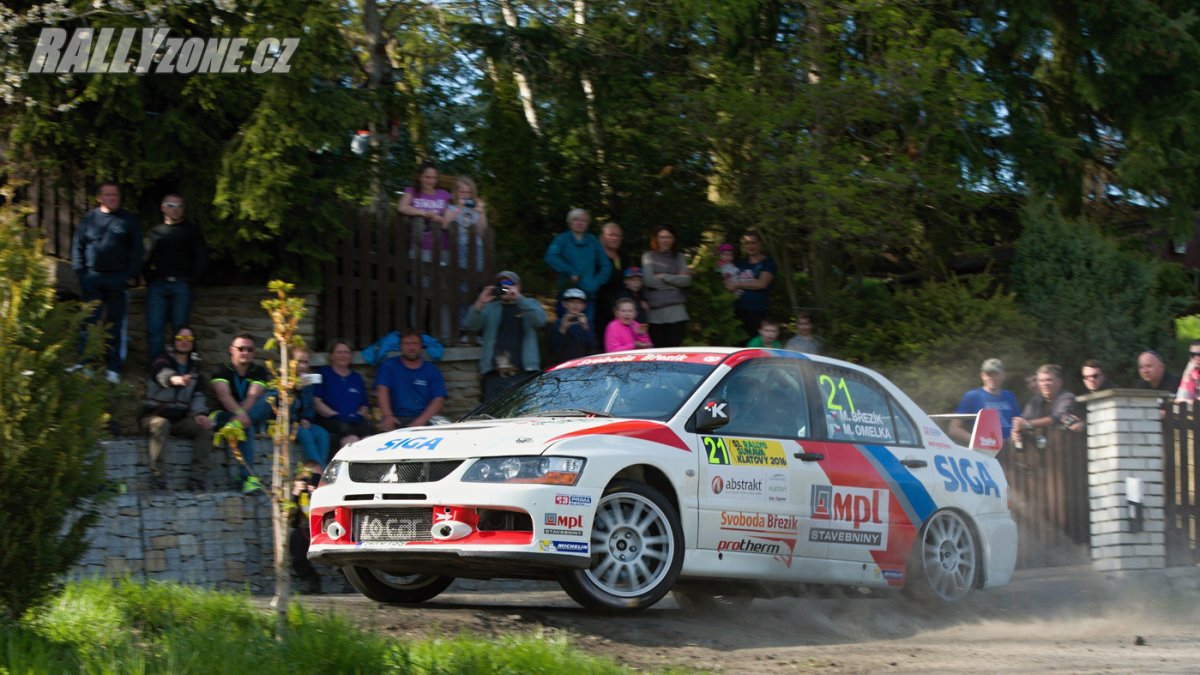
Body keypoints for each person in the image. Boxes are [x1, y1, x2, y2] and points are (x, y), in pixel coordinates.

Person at [71, 181, 143, 383]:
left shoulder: (128, 220)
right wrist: (80, 273)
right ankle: (87, 363)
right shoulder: (89, 218)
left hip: (117, 279)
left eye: (115, 195)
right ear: (99, 197)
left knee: (116, 324)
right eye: (108, 195)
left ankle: (113, 368)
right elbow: (78, 247)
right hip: (91, 278)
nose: (112, 198)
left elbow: (137, 251)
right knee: (89, 321)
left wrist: (129, 275)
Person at [140, 326, 214, 490]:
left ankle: (196, 479)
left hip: (180, 420)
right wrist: (176, 380)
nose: (184, 342)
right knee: (161, 424)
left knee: (205, 429)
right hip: (153, 416)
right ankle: (158, 478)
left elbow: (198, 396)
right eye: (180, 339)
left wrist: (200, 414)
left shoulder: (195, 370)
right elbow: (162, 375)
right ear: (174, 341)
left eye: (189, 339)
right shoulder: (161, 360)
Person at [142, 193, 207, 362]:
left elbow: (200, 258)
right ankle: (156, 368)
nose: (175, 209)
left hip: (182, 285)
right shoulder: (155, 232)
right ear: (163, 208)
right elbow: (144, 258)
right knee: (155, 329)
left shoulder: (191, 231)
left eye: (179, 206)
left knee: (181, 329)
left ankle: (182, 368)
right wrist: (151, 280)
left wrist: (191, 281)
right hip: (158, 285)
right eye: (171, 205)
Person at [465, 270, 548, 402]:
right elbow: (470, 325)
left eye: (509, 283)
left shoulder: (529, 304)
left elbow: (540, 321)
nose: (505, 287)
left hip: (523, 375)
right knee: (493, 419)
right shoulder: (490, 307)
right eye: (501, 284)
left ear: (518, 286)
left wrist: (519, 298)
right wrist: (480, 302)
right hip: (494, 376)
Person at [210, 332, 274, 493]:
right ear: (232, 349)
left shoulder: (258, 371)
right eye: (241, 348)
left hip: (244, 417)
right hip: (222, 416)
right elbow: (223, 396)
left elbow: (254, 395)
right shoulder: (221, 369)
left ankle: (246, 479)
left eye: (250, 349)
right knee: (247, 427)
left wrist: (241, 418)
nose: (245, 352)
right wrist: (241, 414)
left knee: (272, 395)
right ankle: (247, 478)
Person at [442, 176, 489, 345]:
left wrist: (481, 211)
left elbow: (482, 231)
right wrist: (458, 209)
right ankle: (462, 329)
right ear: (455, 193)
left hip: (477, 251)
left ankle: (474, 330)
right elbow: (445, 225)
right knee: (461, 290)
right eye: (462, 192)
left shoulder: (476, 209)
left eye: (468, 192)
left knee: (475, 290)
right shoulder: (451, 207)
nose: (465, 195)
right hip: (459, 251)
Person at [544, 208, 611, 324]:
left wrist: (595, 282)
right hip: (567, 291)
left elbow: (606, 265)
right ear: (569, 222)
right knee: (565, 327)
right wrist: (570, 271)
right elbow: (550, 257)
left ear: (587, 224)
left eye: (583, 220)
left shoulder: (593, 241)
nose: (579, 223)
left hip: (588, 294)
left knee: (585, 328)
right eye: (576, 220)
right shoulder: (562, 239)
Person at [375, 329, 448, 430]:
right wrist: (388, 416)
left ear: (421, 346)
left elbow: (438, 399)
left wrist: (420, 422)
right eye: (407, 344)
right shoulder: (388, 366)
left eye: (414, 343)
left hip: (424, 418)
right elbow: (382, 391)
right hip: (396, 418)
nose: (411, 347)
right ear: (400, 346)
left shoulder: (431, 370)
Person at [313, 339, 376, 450]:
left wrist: (358, 415)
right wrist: (335, 414)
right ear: (331, 356)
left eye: (346, 352)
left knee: (369, 432)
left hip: (354, 419)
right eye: (339, 352)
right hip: (330, 419)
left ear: (351, 356)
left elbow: (364, 405)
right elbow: (317, 402)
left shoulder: (356, 378)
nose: (343, 355)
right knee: (350, 435)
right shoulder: (322, 373)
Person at [948, 358, 1021, 445]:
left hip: (1008, 450)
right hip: (982, 452)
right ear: (982, 375)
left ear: (1003, 375)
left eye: (996, 374)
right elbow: (953, 429)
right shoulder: (972, 396)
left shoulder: (1009, 396)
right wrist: (978, 441)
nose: (992, 378)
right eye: (989, 374)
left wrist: (1016, 433)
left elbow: (1018, 422)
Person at [641, 225, 692, 348]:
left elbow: (686, 281)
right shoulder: (648, 256)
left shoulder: (679, 257)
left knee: (674, 351)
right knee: (658, 352)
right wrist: (675, 283)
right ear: (656, 239)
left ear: (674, 239)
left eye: (669, 237)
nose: (665, 240)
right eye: (662, 237)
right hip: (655, 314)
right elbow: (649, 281)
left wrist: (663, 276)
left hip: (677, 312)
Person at [1011, 364, 1084, 447]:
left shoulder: (1067, 397)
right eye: (1041, 381)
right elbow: (1023, 420)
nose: (1045, 384)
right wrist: (1016, 431)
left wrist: (1027, 424)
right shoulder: (1034, 401)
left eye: (1049, 380)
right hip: (1040, 454)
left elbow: (1057, 417)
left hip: (1066, 450)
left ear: (1060, 382)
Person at [726, 230, 776, 341]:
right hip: (737, 309)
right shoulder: (740, 263)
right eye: (747, 243)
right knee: (738, 344)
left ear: (760, 244)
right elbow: (729, 280)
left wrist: (737, 284)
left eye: (753, 242)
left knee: (754, 344)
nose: (750, 246)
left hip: (756, 311)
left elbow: (761, 284)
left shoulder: (767, 262)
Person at [397, 160, 452, 263]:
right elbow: (402, 207)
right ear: (419, 177)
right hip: (419, 247)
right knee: (420, 279)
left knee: (442, 278)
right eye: (427, 177)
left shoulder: (444, 194)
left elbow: (453, 218)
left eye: (434, 178)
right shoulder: (412, 191)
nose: (431, 181)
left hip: (443, 248)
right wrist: (425, 213)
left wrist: (440, 219)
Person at [291, 347, 332, 467]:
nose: (302, 366)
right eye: (299, 361)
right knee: (305, 434)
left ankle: (321, 469)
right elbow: (280, 408)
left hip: (302, 422)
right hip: (286, 424)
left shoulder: (307, 382)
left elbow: (309, 407)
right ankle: (319, 471)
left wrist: (307, 419)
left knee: (322, 434)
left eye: (306, 362)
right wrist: (294, 389)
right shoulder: (281, 380)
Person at [288, 460, 323, 594]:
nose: (311, 481)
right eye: (307, 478)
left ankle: (354, 582)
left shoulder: (326, 489)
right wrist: (295, 495)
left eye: (315, 477)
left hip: (325, 529)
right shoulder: (301, 494)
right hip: (306, 531)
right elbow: (292, 521)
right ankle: (310, 580)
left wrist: (318, 493)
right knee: (295, 539)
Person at [594, 222, 626, 339]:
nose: (615, 238)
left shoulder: (622, 257)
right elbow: (598, 285)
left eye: (618, 235)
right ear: (602, 237)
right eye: (611, 235)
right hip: (601, 309)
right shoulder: (596, 258)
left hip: (621, 309)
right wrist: (614, 305)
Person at [550, 288, 600, 362]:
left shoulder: (587, 323)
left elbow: (594, 346)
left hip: (583, 363)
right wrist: (563, 329)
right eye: (572, 302)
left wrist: (586, 328)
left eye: (579, 303)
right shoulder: (558, 323)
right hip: (564, 364)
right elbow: (554, 349)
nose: (575, 305)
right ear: (564, 304)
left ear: (584, 306)